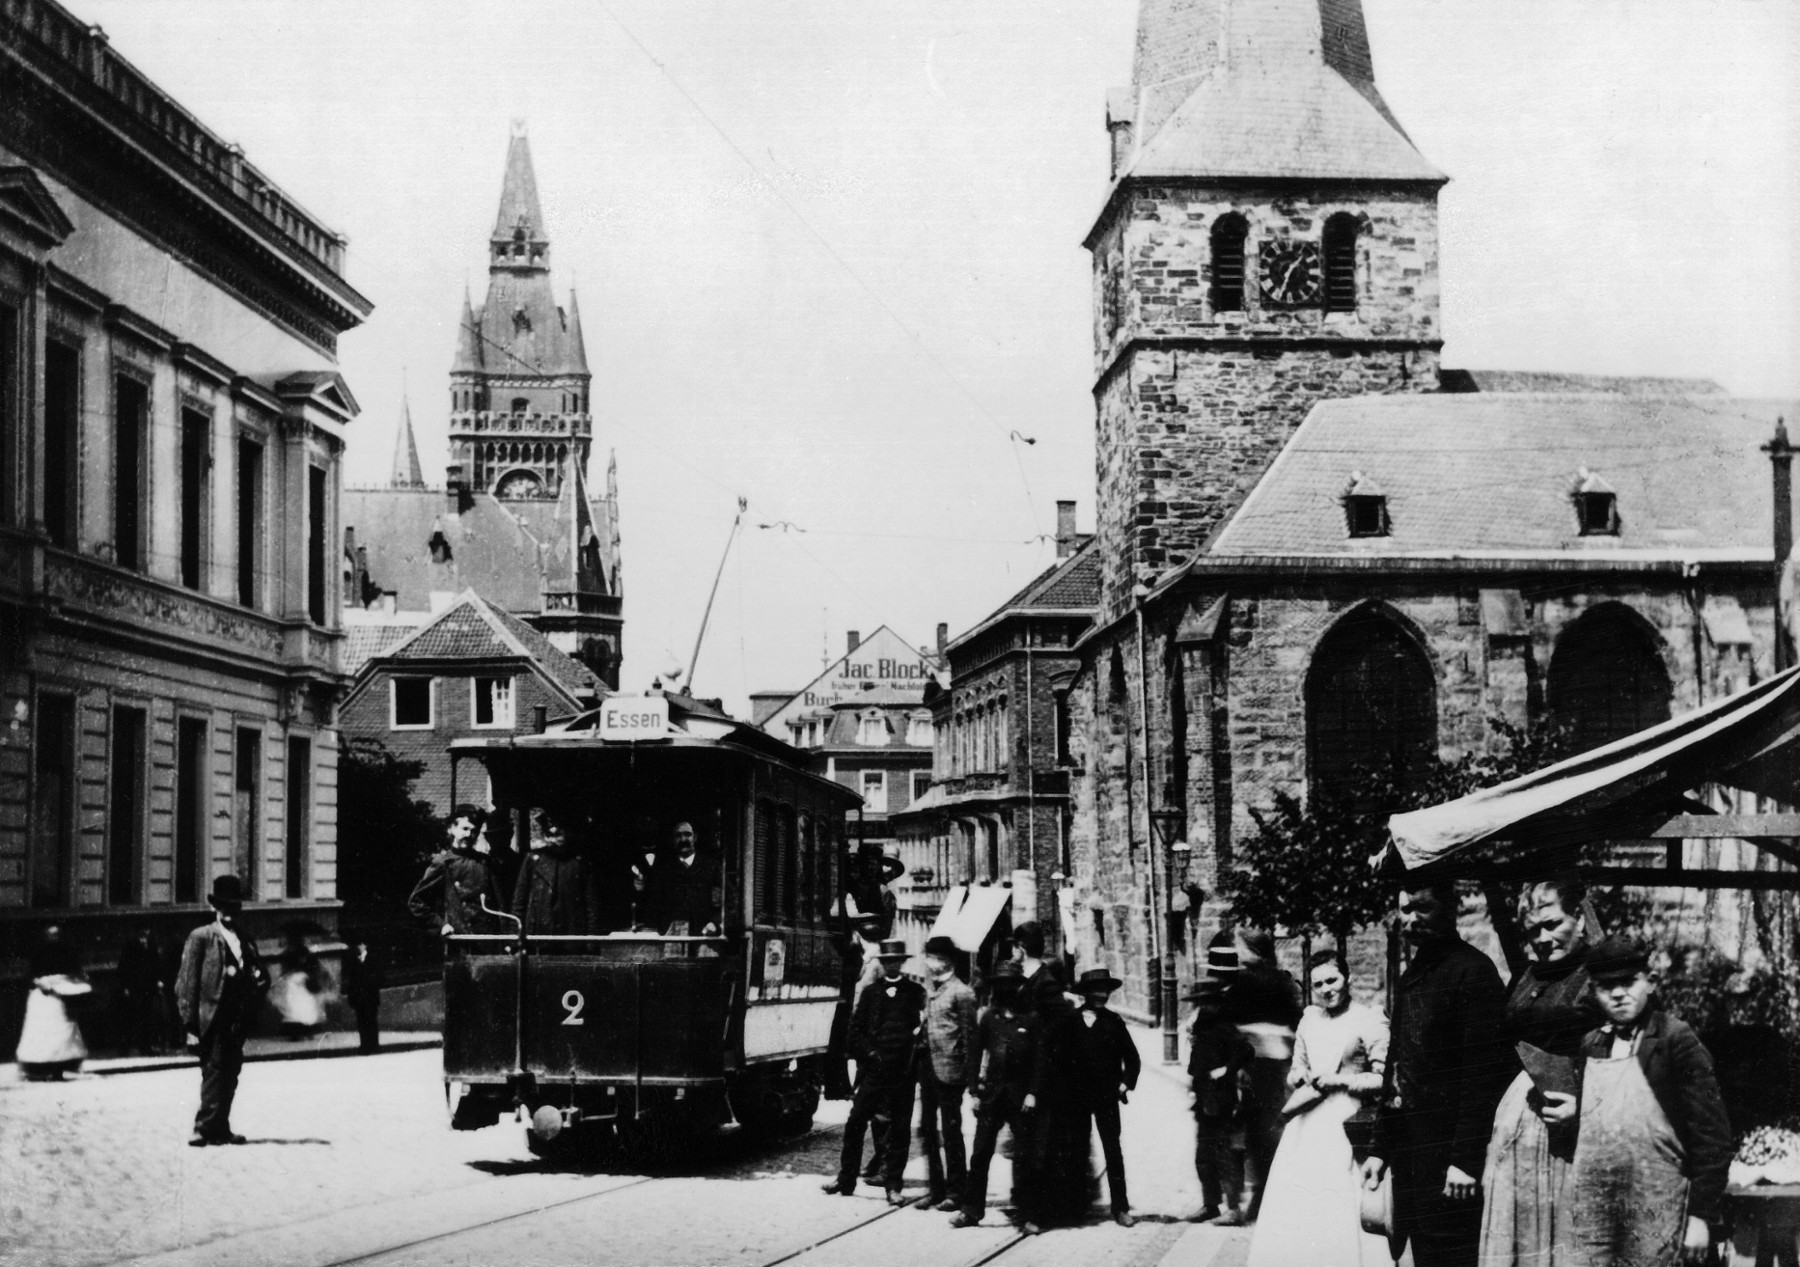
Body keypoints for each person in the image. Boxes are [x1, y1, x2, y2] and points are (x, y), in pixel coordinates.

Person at [1365, 882, 1509, 1267]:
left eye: (1423, 908)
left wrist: (1464, 1160)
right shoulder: (1413, 974)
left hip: (1450, 1161)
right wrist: (1379, 1148)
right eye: (1405, 909)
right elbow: (1396, 1064)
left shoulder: (1473, 972)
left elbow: (1482, 1077)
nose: (1412, 919)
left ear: (1450, 909)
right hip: (1412, 1155)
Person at [1564, 936, 1731, 1267]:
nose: (1617, 994)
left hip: (1661, 1204)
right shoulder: (1592, 1044)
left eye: (1627, 982)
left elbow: (1713, 1137)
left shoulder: (1674, 1039)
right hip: (1602, 1209)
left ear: (1650, 983)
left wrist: (1700, 1217)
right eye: (1605, 987)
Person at [1478, 876, 1602, 1267]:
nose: (1543, 938)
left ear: (1580, 919)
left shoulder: (1602, 975)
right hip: (1515, 1139)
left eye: (1553, 924)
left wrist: (1584, 1106)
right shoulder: (1526, 977)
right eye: (1533, 930)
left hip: (1570, 1135)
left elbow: (1629, 1059)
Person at [1247, 949, 1392, 1266]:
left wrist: (1338, 1081)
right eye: (1318, 985)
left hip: (1347, 1120)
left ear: (1347, 978)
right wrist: (1300, 1077)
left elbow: (1384, 1079)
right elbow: (1295, 1070)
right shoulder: (1309, 1019)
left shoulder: (1369, 1019)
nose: (1327, 990)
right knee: (1301, 1198)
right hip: (1307, 1121)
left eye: (1332, 980)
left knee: (1341, 1195)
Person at [951, 960, 1049, 1235]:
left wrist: (1032, 1093)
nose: (1007, 990)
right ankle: (971, 1211)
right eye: (1002, 985)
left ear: (1020, 988)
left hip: (1020, 1099)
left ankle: (1028, 1215)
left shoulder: (1031, 1019)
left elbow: (1040, 1061)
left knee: (1025, 1157)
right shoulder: (988, 1019)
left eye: (1012, 985)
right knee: (980, 1153)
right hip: (991, 1096)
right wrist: (973, 1091)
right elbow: (974, 1056)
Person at [1040, 966, 1142, 1228]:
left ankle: (1120, 1208)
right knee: (1077, 1150)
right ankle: (1076, 1208)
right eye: (1096, 990)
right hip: (1076, 1099)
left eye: (1105, 991)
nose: (1101, 995)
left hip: (1106, 1097)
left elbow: (1133, 1059)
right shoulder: (1069, 1022)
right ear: (1085, 993)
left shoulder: (1113, 1022)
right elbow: (1053, 1055)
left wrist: (1125, 1085)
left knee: (1112, 1150)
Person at [824, 939, 924, 1204]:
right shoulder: (871, 992)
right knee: (856, 1121)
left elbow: (920, 1032)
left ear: (902, 962)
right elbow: (854, 1031)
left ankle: (893, 1186)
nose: (891, 965)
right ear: (882, 963)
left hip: (902, 1072)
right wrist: (869, 1053)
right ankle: (846, 1179)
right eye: (887, 961)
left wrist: (909, 1055)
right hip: (874, 1070)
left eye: (896, 961)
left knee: (899, 1130)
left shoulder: (914, 992)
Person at [176, 875, 269, 1146]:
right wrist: (189, 1026)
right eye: (224, 907)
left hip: (237, 1017)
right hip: (213, 1016)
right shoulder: (202, 937)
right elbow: (187, 983)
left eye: (234, 907)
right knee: (214, 1070)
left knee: (231, 1070)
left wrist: (256, 979)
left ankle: (221, 1127)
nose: (229, 912)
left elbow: (260, 972)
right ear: (214, 908)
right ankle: (203, 1127)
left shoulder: (244, 938)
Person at [1227, 926, 1303, 1220]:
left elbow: (1232, 1024)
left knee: (1251, 1132)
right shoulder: (1283, 981)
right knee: (1268, 1129)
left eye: (1240, 947)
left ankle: (1257, 1195)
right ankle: (1266, 1193)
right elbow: (1294, 1022)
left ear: (1251, 950)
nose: (1238, 953)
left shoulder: (1242, 981)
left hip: (1251, 1064)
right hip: (1278, 1062)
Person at [914, 934, 978, 1210]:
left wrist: (970, 1077)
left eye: (934, 958)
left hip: (950, 1071)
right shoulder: (932, 989)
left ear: (946, 961)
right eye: (929, 957)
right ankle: (936, 1189)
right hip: (928, 1067)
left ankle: (956, 1191)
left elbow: (970, 1037)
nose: (929, 963)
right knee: (927, 1129)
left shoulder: (962, 992)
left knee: (951, 1131)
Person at [1187, 976, 1251, 1226]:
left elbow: (1246, 1051)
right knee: (1203, 1156)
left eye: (1210, 1002)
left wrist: (1227, 1069)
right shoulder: (1201, 1027)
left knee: (1226, 1156)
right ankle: (1210, 1204)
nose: (1205, 1007)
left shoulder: (1225, 1026)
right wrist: (1194, 1086)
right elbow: (1196, 1064)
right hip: (1204, 1101)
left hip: (1223, 1102)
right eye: (1202, 1003)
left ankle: (1233, 1208)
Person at [408, 805, 507, 935]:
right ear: (452, 829)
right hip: (458, 939)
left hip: (487, 940)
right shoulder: (443, 863)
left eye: (474, 831)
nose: (468, 834)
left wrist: (508, 939)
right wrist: (441, 926)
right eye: (464, 828)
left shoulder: (486, 862)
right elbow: (416, 901)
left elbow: (501, 903)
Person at [16, 925, 89, 1080]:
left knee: (64, 1033)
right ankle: (40, 1068)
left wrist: (76, 979)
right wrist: (40, 983)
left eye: (56, 935)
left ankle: (60, 1069)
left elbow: (75, 970)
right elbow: (30, 974)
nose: (54, 938)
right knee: (43, 1033)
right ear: (46, 936)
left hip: (62, 994)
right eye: (51, 935)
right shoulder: (38, 954)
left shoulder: (67, 952)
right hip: (44, 996)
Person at [512, 809, 600, 935]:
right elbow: (519, 903)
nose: (553, 838)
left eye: (558, 833)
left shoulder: (580, 863)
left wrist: (592, 941)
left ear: (568, 832)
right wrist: (516, 940)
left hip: (571, 937)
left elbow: (591, 905)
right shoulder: (533, 860)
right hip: (538, 937)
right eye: (549, 834)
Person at [650, 820, 722, 935]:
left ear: (695, 837)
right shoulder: (663, 870)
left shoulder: (712, 867)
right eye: (678, 836)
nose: (683, 840)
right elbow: (654, 905)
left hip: (705, 937)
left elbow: (729, 901)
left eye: (687, 834)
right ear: (673, 840)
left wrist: (715, 923)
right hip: (672, 937)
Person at [116, 925, 169, 1056]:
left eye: (146, 931)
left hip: (148, 987)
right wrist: (125, 987)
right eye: (142, 931)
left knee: (146, 1018)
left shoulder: (151, 945)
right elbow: (123, 967)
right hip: (134, 987)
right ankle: (125, 1048)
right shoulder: (130, 945)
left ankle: (145, 1047)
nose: (145, 934)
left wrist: (159, 980)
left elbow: (158, 964)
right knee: (130, 1017)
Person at [272, 930, 323, 1039]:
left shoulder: (292, 952)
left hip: (296, 981)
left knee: (297, 1007)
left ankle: (299, 1032)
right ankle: (305, 1031)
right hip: (300, 981)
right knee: (302, 1007)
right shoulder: (303, 952)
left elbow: (285, 966)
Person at [343, 940, 384, 1055]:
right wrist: (351, 997)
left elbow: (380, 977)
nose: (359, 947)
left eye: (361, 944)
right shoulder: (354, 959)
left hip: (370, 996)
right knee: (361, 1023)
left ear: (365, 946)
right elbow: (351, 980)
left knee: (371, 1021)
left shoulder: (373, 958)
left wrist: (370, 982)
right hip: (359, 998)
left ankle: (374, 1045)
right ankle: (364, 1045)